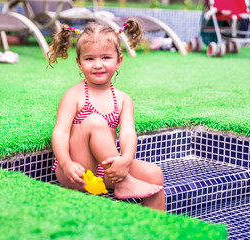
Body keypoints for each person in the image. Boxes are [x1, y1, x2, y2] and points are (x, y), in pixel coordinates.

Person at [48, 18, 165, 211]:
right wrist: (66, 163)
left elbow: (128, 133)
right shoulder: (74, 95)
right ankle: (125, 182)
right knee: (94, 121)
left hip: (106, 169)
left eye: (105, 57)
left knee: (154, 173)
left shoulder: (123, 99)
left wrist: (126, 160)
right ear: (79, 63)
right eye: (89, 58)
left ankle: (157, 229)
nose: (97, 65)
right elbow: (60, 133)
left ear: (119, 61)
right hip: (78, 170)